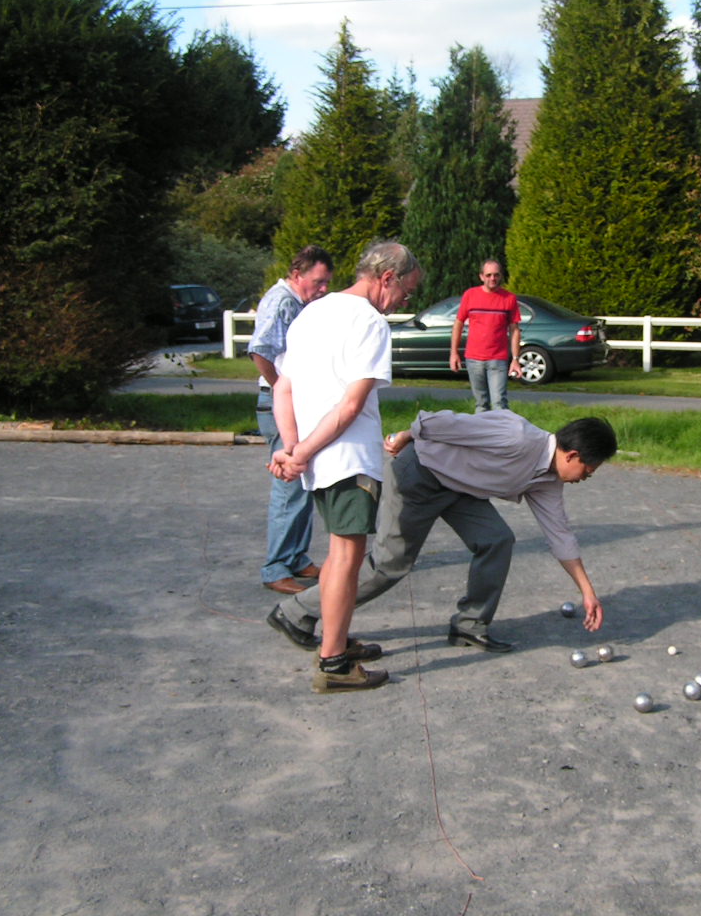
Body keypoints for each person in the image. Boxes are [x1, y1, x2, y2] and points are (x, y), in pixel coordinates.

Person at [268, 409, 617, 654]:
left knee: (496, 539)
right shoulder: (517, 435)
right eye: (589, 470)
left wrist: (587, 591)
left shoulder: (547, 481)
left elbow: (560, 536)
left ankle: (470, 625)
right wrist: (407, 435)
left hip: (460, 490)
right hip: (420, 475)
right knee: (390, 565)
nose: (587, 477)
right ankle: (296, 612)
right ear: (572, 455)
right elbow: (443, 422)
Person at [266, 242, 423, 693]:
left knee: (340, 556)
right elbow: (351, 405)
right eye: (407, 293)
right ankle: (333, 662)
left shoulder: (312, 311)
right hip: (347, 458)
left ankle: (336, 641)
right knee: (346, 558)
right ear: (388, 278)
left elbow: (283, 389)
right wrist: (300, 452)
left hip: (318, 461)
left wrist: (293, 448)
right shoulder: (370, 322)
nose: (403, 304)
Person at [249, 245, 334, 597]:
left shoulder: (296, 300)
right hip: (279, 404)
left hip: (289, 401)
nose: (324, 288)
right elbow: (260, 350)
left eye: (327, 282)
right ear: (297, 275)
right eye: (318, 281)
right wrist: (281, 389)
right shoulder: (282, 300)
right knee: (288, 484)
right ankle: (276, 567)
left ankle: (296, 557)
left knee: (302, 485)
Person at [449, 259, 521, 411]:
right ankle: (482, 434)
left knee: (499, 403)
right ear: (481, 276)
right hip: (474, 359)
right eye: (488, 275)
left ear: (501, 276)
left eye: (496, 275)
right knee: (481, 404)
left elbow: (514, 330)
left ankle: (502, 434)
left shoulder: (509, 298)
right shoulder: (470, 295)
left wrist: (515, 359)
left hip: (498, 359)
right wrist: (454, 353)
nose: (492, 279)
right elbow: (458, 324)